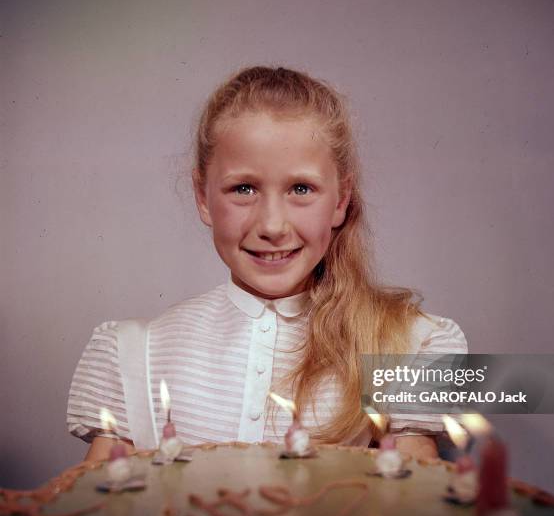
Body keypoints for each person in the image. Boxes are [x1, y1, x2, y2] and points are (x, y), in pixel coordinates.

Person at [67, 66, 467, 462]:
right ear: (203, 197)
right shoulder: (134, 354)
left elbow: (419, 512)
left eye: (301, 188)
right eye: (243, 188)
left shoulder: (411, 346)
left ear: (340, 200)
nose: (272, 226)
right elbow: (102, 515)